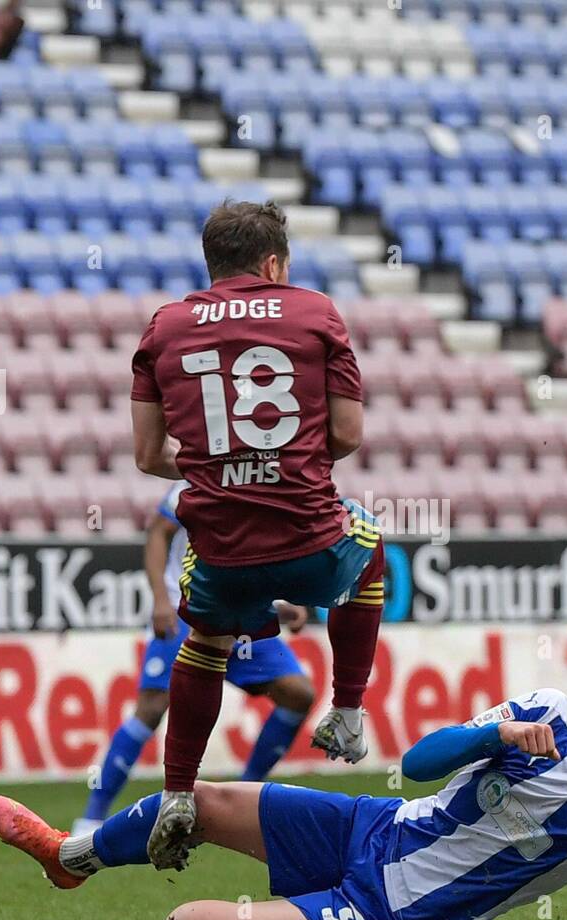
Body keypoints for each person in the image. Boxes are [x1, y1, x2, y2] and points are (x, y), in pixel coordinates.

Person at [0, 673, 567, 920]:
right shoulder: (546, 711)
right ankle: (68, 857)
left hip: (389, 914)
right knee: (201, 800)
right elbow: (419, 764)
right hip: (370, 827)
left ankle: (298, 917)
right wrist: (495, 735)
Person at [130, 201, 384, 868]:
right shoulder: (316, 312)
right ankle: (349, 711)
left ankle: (179, 793)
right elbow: (349, 436)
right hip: (310, 538)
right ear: (274, 264)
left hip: (223, 551)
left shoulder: (164, 327)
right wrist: (281, 459)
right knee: (372, 544)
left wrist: (223, 462)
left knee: (206, 642)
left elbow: (148, 455)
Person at [71, 482, 316, 836]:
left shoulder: (273, 485)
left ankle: (244, 797)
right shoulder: (199, 478)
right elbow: (158, 534)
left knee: (299, 694)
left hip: (245, 618)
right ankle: (92, 816)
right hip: (188, 613)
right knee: (152, 707)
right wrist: (160, 600)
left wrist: (286, 599)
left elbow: (271, 556)